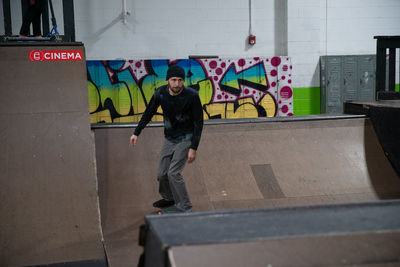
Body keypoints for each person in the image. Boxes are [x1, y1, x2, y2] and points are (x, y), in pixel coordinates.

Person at [130, 65, 204, 213]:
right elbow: (149, 112)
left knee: (173, 173)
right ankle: (169, 198)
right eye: (173, 80)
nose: (177, 84)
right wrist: (136, 132)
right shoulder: (160, 93)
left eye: (180, 80)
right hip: (169, 138)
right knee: (161, 174)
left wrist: (193, 147)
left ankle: (185, 206)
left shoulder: (192, 96)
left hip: (186, 138)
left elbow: (199, 123)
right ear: (168, 80)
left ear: (183, 81)